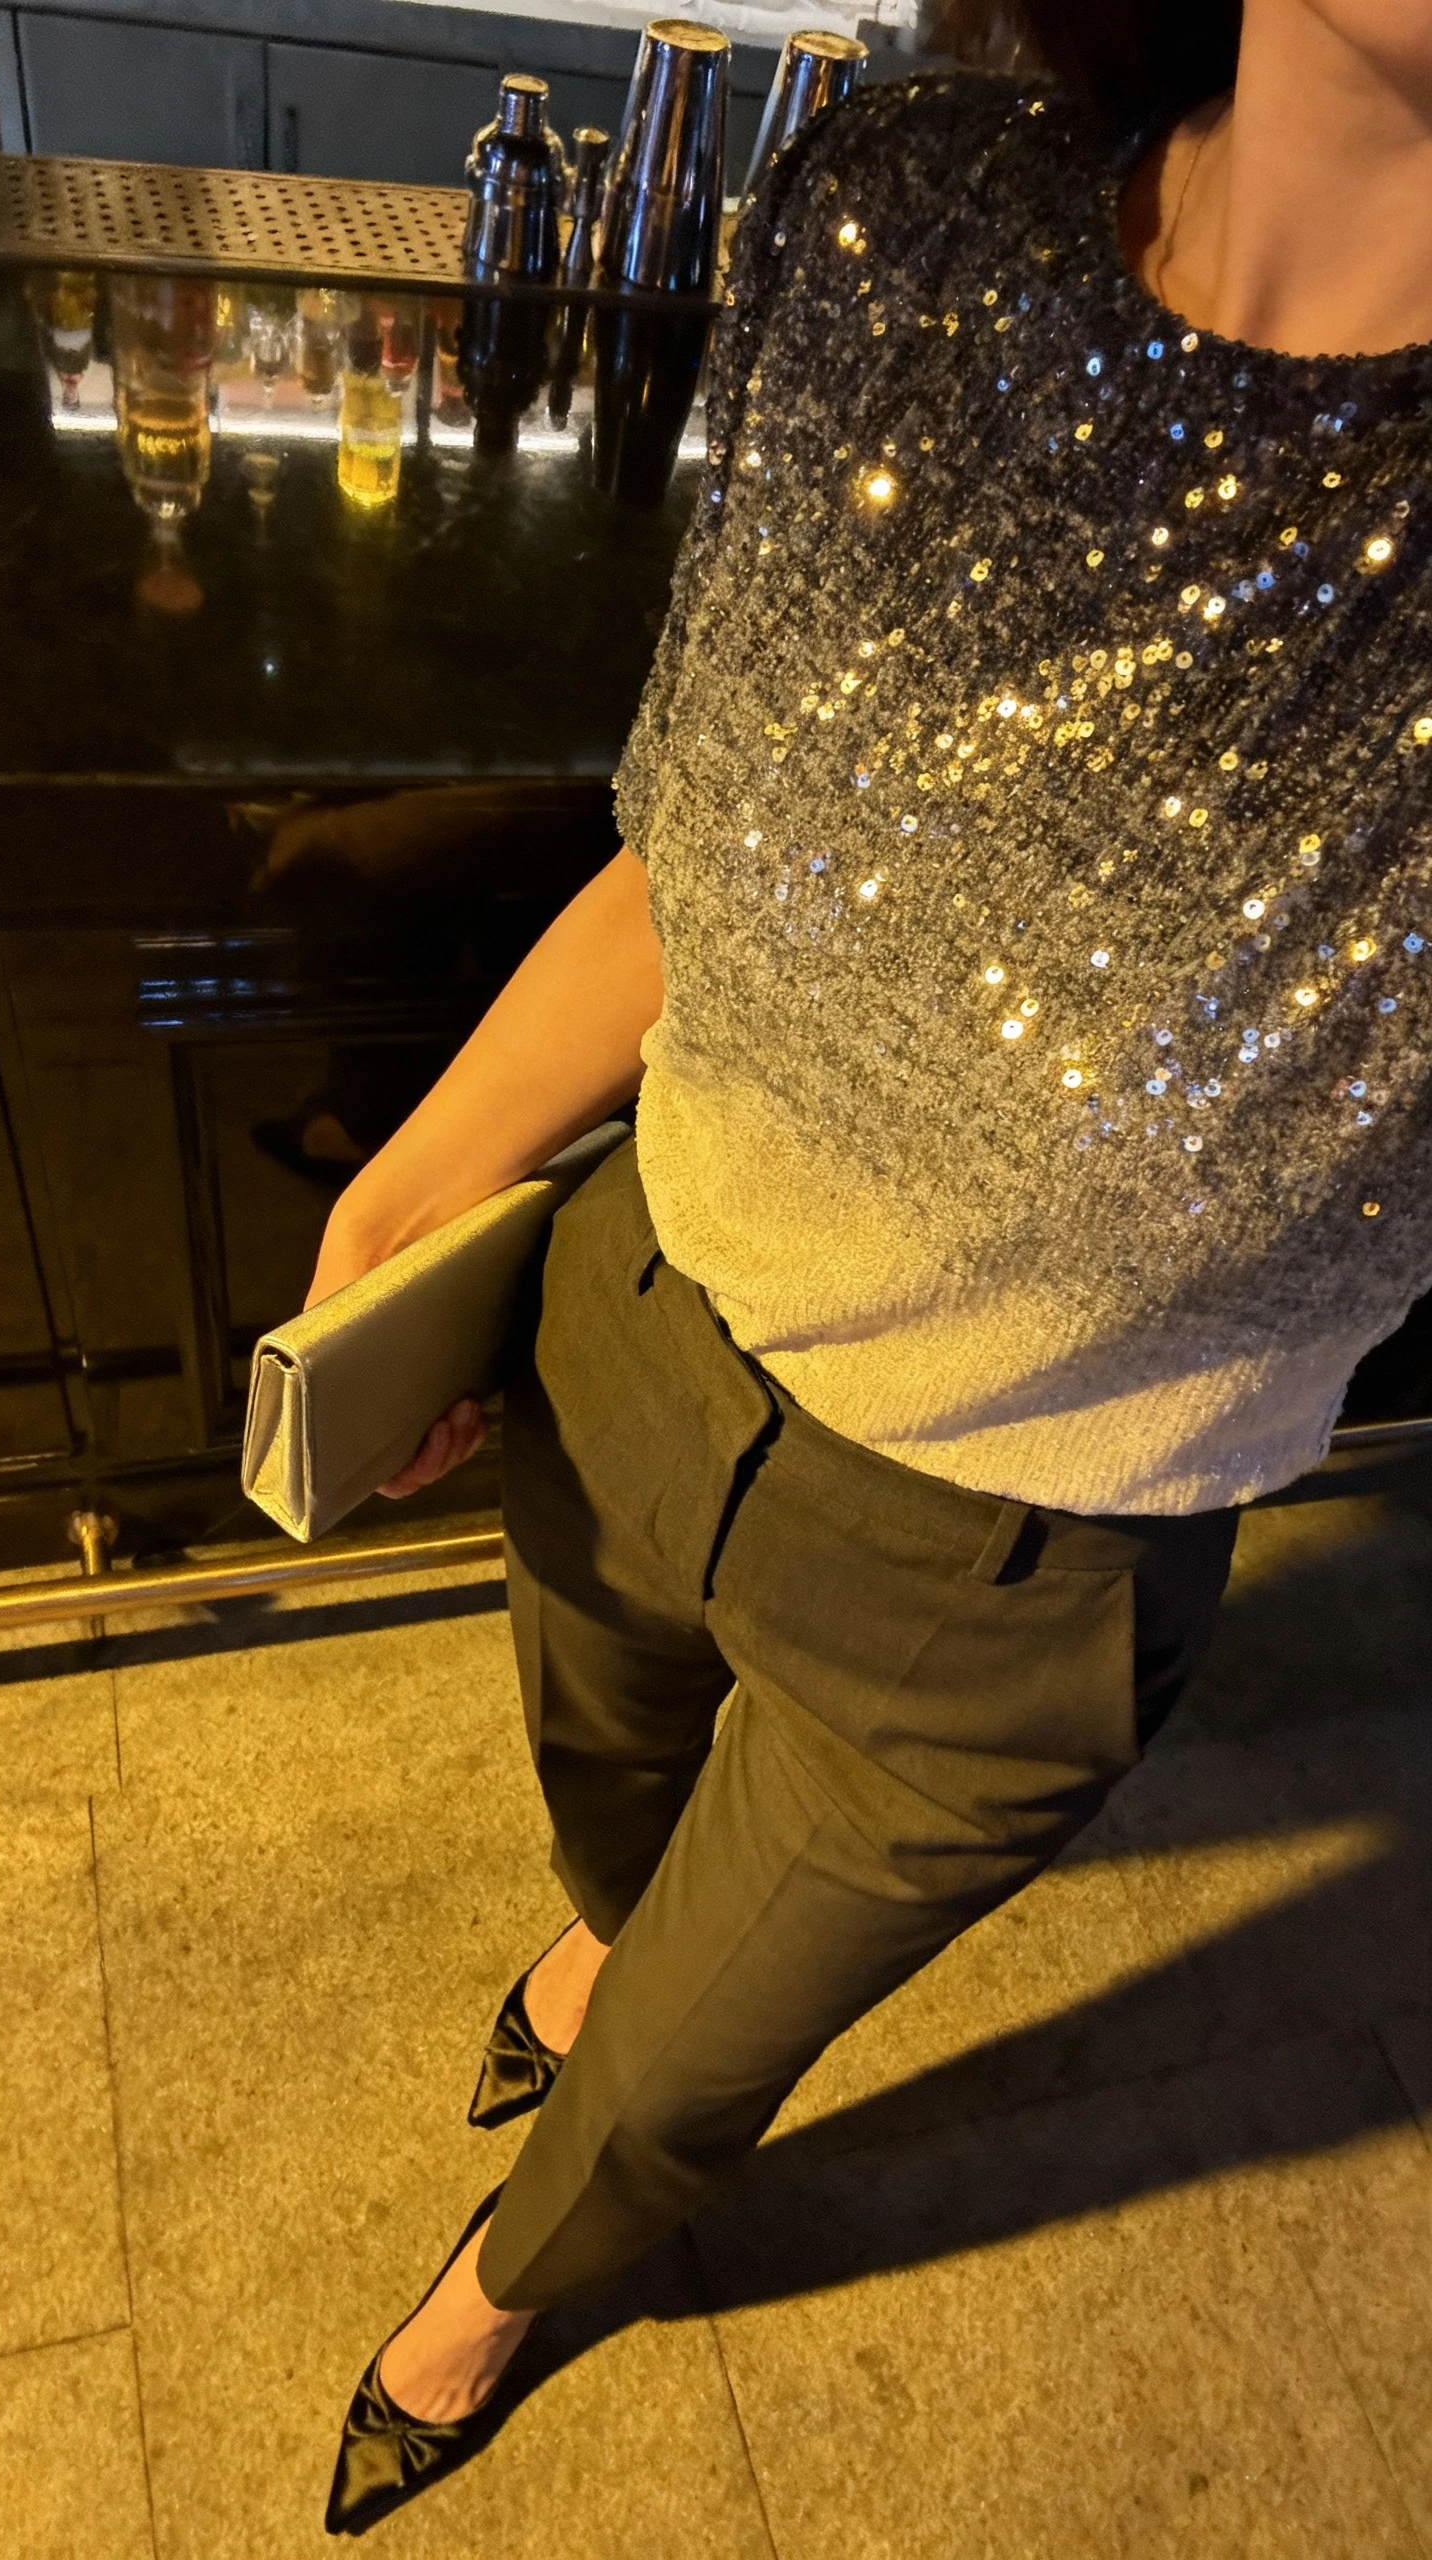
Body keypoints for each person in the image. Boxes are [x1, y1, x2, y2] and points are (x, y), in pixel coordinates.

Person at [315, 0, 1432, 2530]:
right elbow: (704, 852)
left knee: (700, 2057)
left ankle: (508, 2280)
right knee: (602, 1779)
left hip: (1016, 1560)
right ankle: (595, 1937)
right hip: (647, 1306)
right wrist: (426, 1181)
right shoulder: (913, 208)